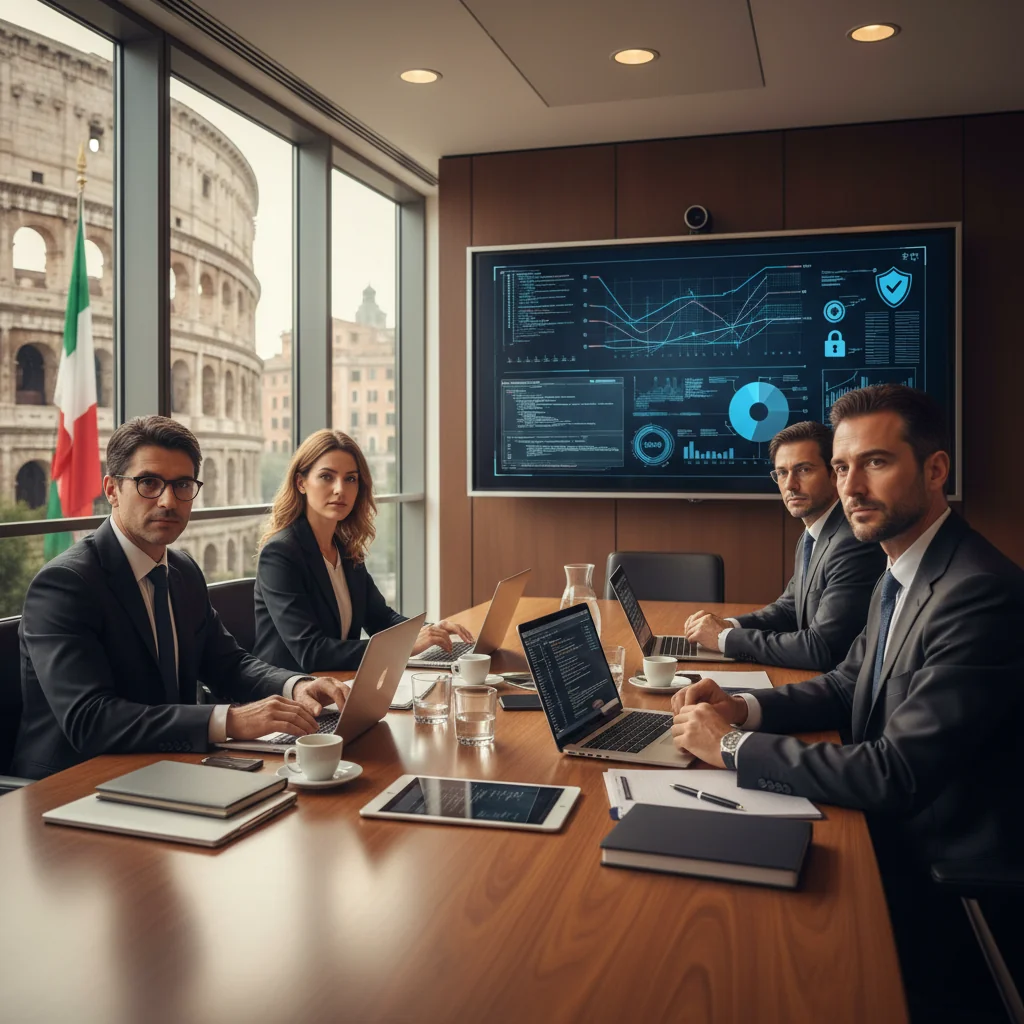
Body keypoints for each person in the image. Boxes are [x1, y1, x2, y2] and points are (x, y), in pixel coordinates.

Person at [670, 385, 1024, 1021]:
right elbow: (844, 683)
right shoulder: (902, 569)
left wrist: (727, 747)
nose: (852, 486)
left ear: (935, 469)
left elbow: (896, 773)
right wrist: (740, 709)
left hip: (937, 872)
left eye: (877, 463)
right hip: (883, 829)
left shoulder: (977, 592)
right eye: (841, 466)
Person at [14, 416, 348, 780]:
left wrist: (297, 685)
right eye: (149, 483)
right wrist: (230, 720)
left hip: (166, 766)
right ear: (111, 490)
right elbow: (90, 719)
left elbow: (228, 664)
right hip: (74, 784)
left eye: (183, 485)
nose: (168, 500)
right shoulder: (66, 583)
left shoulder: (182, 570)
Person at [254, 429, 472, 673]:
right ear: (301, 483)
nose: (340, 489)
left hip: (340, 682)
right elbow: (311, 651)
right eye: (327, 477)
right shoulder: (280, 554)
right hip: (288, 695)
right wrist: (402, 645)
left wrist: (430, 632)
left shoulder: (345, 548)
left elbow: (381, 618)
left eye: (350, 479)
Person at [682, 421, 885, 670]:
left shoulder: (853, 543)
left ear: (835, 474)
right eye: (781, 473)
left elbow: (821, 648)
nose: (790, 485)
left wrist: (725, 639)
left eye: (803, 470)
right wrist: (727, 626)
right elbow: (788, 609)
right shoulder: (813, 534)